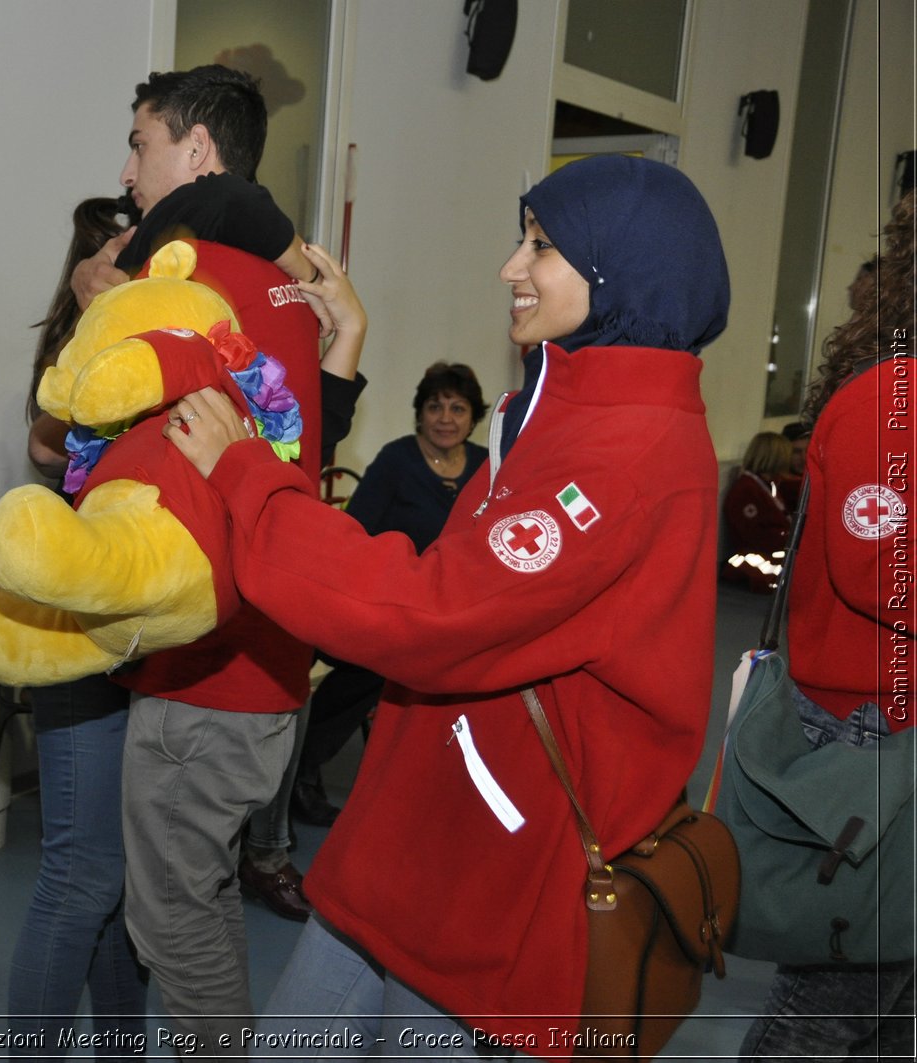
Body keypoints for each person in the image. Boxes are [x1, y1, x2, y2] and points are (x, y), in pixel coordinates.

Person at [166, 153, 730, 1052]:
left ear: (618, 269)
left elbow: (433, 612)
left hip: (493, 866)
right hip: (420, 828)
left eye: (540, 247)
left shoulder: (627, 456)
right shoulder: (564, 411)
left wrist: (249, 478)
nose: (511, 266)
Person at [71, 65, 365, 1046]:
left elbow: (98, 453)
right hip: (267, 662)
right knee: (200, 894)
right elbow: (301, 457)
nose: (126, 171)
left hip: (208, 677)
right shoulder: (282, 294)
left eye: (142, 143)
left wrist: (96, 309)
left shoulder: (192, 282)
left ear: (195, 151)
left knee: (173, 920)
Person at [738, 190, 915, 1062]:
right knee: (835, 998)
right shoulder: (897, 398)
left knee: (887, 1002)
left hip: (883, 720)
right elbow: (879, 568)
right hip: (866, 729)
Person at [10, 195, 150, 1057]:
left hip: (138, 620)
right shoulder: (81, 346)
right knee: (82, 871)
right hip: (79, 625)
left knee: (120, 878)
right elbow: (45, 442)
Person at [294, 363, 490, 826]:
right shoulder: (397, 460)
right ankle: (304, 770)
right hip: (381, 603)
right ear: (419, 414)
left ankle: (451, 777)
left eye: (457, 407)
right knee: (377, 663)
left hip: (452, 611)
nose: (445, 417)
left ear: (473, 416)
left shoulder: (485, 465)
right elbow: (356, 535)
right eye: (435, 406)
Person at [721, 431, 794, 592]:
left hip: (776, 549)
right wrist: (791, 538)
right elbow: (755, 535)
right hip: (761, 555)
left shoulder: (768, 484)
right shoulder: (747, 490)